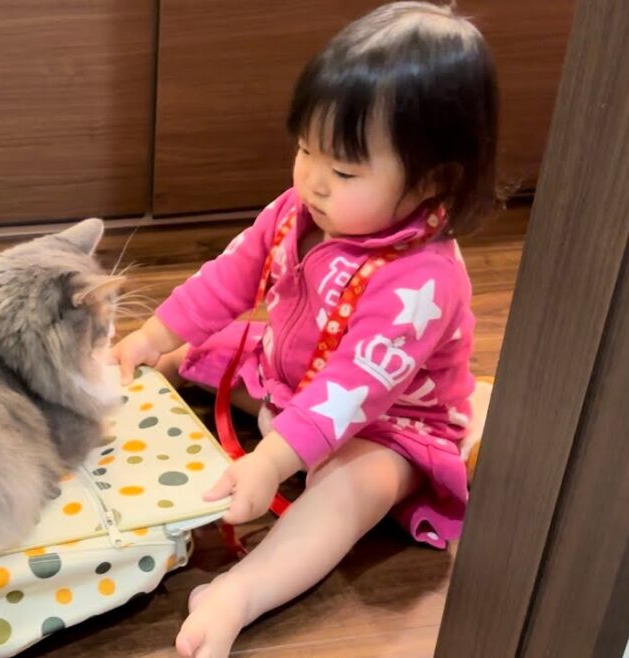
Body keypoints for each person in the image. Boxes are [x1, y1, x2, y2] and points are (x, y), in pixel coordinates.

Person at [110, 3, 499, 656]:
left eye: (343, 171)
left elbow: (352, 390)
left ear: (434, 181)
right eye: (305, 149)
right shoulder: (298, 209)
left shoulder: (423, 282)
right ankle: (137, 385)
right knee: (188, 351)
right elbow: (229, 278)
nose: (312, 180)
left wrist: (270, 462)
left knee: (354, 486)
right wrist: (149, 338)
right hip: (290, 374)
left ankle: (246, 588)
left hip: (387, 423)